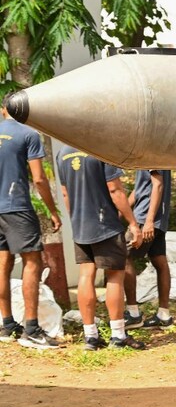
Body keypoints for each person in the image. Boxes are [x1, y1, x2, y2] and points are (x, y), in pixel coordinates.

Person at [56, 145, 145, 350]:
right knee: (115, 276)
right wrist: (133, 223)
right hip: (105, 224)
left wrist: (76, 219)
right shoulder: (101, 148)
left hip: (80, 225)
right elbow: (115, 189)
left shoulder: (62, 153)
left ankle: (90, 336)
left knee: (86, 275)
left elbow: (65, 193)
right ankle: (118, 335)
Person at [0, 103, 62, 349]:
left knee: (3, 264)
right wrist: (52, 211)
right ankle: (32, 329)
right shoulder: (28, 134)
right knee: (33, 262)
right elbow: (39, 178)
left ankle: (7, 324)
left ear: (3, 109)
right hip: (16, 206)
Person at [124, 169, 173, 328]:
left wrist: (149, 221)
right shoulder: (153, 156)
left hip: (146, 217)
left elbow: (157, 185)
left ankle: (133, 314)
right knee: (159, 261)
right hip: (159, 218)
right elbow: (139, 190)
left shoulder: (151, 156)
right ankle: (164, 315)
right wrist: (122, 211)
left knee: (124, 257)